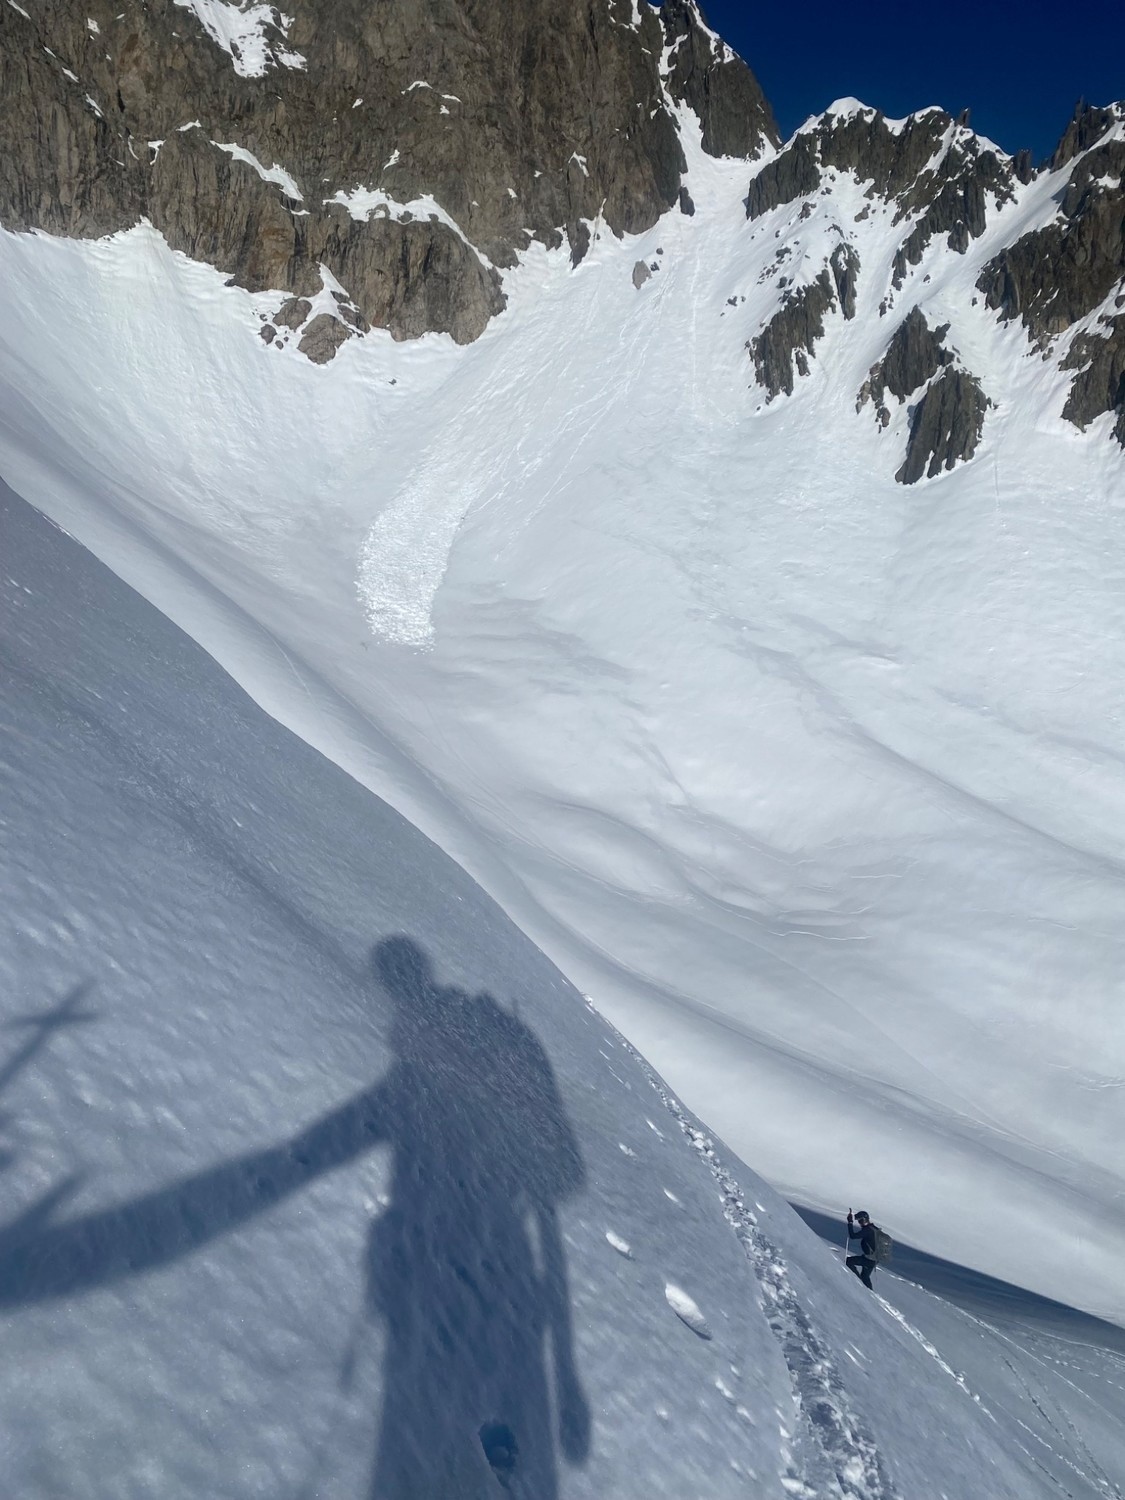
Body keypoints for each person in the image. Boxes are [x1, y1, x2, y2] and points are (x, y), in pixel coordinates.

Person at [846, 1208, 878, 1289]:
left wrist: (850, 1222)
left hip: (869, 1259)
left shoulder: (867, 1230)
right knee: (865, 1277)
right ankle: (869, 1293)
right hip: (874, 1259)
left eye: (860, 1221)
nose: (859, 1223)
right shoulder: (874, 1228)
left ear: (864, 1220)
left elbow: (853, 1236)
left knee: (849, 1261)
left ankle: (857, 1282)